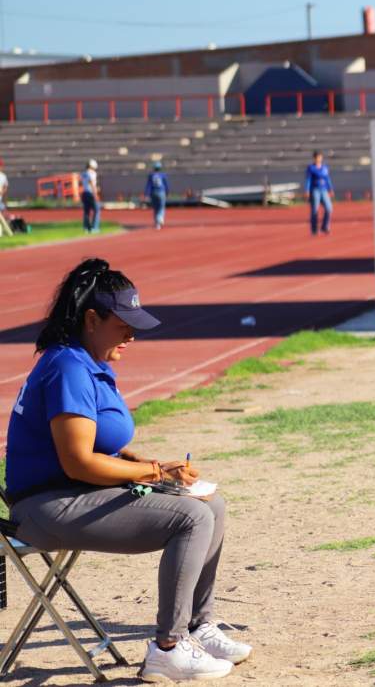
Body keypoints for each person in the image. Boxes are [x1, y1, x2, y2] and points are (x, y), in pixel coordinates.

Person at [5, 258, 250, 682]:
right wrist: (153, 472)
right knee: (189, 517)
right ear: (92, 318)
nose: (133, 335)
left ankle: (196, 626)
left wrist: (144, 464)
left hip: (74, 494)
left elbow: (99, 444)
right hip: (47, 507)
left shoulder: (89, 362)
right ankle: (168, 649)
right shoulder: (68, 367)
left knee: (211, 505)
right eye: (124, 325)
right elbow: (77, 461)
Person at [303, 151, 333, 236]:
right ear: (314, 158)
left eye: (320, 157)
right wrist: (307, 190)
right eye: (317, 157)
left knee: (329, 208)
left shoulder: (325, 167)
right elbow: (308, 180)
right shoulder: (311, 168)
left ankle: (324, 226)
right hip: (315, 190)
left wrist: (330, 188)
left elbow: (327, 179)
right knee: (314, 210)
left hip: (324, 190)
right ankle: (314, 229)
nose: (318, 159)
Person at [145, 160, 170, 230]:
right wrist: (167, 192)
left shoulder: (151, 175)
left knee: (155, 208)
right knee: (161, 207)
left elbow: (148, 185)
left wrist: (146, 194)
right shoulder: (163, 175)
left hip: (153, 193)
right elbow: (166, 185)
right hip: (161, 192)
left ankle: (157, 224)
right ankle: (160, 218)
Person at [81, 159, 101, 234]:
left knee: (86, 211)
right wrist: (95, 194)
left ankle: (86, 227)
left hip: (85, 193)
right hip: (90, 193)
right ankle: (95, 227)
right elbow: (92, 183)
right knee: (97, 210)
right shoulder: (92, 173)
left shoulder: (83, 173)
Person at [0, 156, 11, 237]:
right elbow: (5, 188)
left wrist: (2, 192)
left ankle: (8, 232)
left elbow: (5, 188)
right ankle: (5, 232)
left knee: (1, 217)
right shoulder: (3, 176)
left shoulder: (3, 176)